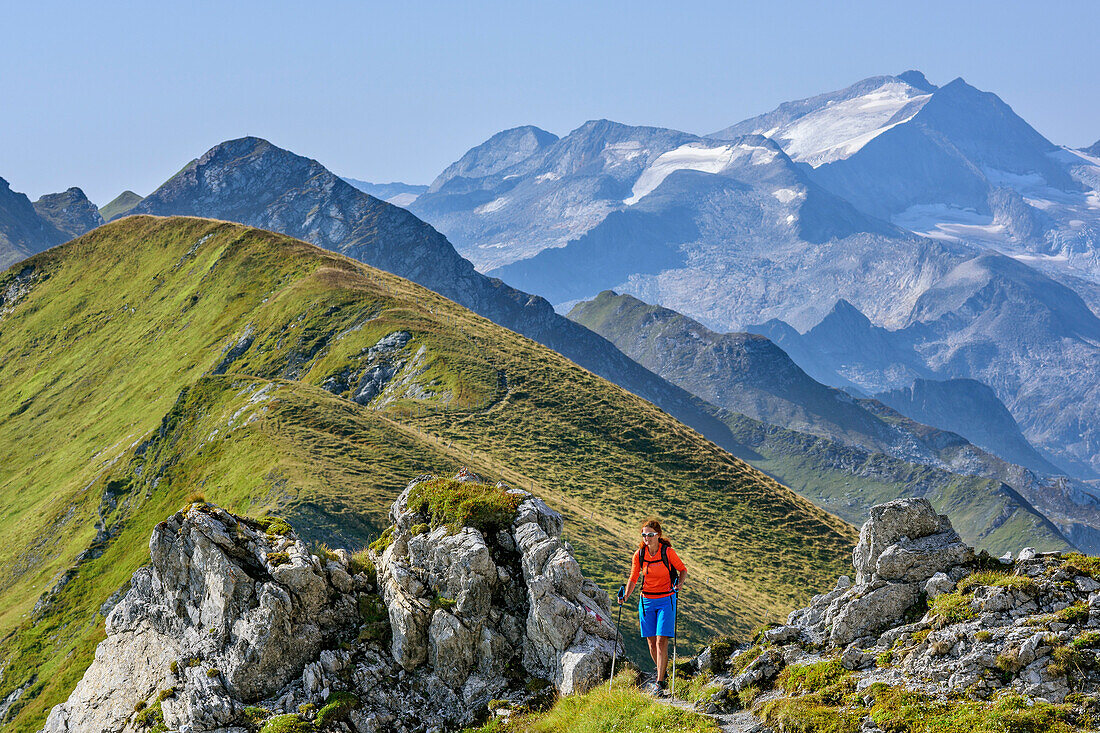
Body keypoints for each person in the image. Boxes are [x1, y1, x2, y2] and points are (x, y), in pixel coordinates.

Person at [619, 518, 688, 696]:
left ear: (658, 535)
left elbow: (683, 570)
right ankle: (662, 672)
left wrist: (679, 584)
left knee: (661, 640)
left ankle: (659, 682)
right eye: (644, 535)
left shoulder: (668, 552)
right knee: (651, 642)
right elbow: (633, 578)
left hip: (666, 599)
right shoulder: (639, 554)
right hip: (646, 600)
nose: (646, 538)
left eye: (650, 535)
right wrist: (625, 596)